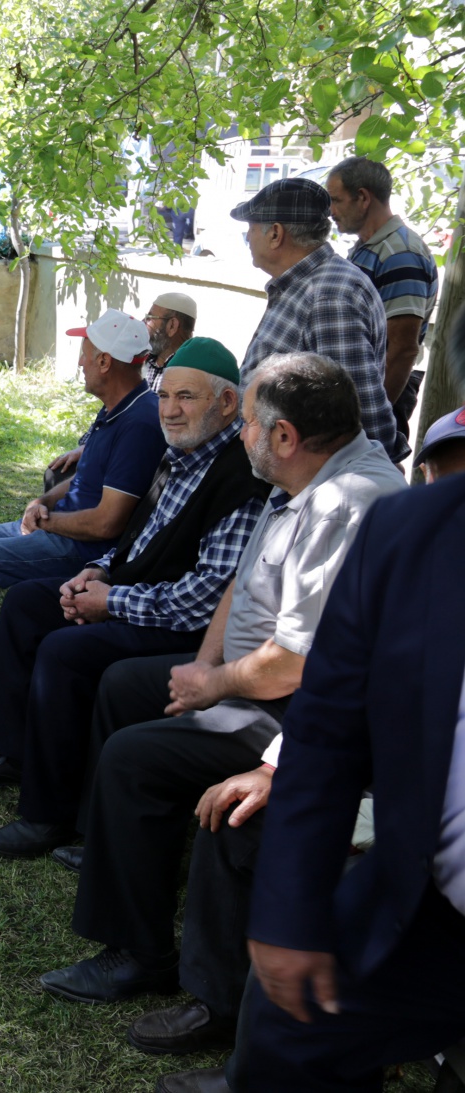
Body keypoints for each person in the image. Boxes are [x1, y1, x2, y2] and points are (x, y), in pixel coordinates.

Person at [36, 355, 403, 1056]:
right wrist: (202, 666)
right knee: (125, 685)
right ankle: (118, 854)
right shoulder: (299, 475)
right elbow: (241, 584)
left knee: (137, 757)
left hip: (303, 721)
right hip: (248, 683)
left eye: (249, 424)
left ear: (287, 436)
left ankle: (152, 961)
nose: (238, 436)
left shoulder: (349, 502)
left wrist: (219, 683)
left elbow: (299, 664)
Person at [204, 366, 465, 1093]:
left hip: (263, 704)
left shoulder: (354, 500)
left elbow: (294, 669)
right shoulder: (413, 531)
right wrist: (289, 913)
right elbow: (329, 725)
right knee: (290, 1029)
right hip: (439, 907)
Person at [0, 341, 271, 861]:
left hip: (188, 629)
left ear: (228, 404)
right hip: (140, 594)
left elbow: (207, 597)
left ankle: (52, 814)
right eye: (164, 395)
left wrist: (111, 600)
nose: (169, 409)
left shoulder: (241, 477)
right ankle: (17, 753)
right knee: (31, 603)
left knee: (66, 653)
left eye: (185, 397)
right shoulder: (185, 450)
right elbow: (138, 538)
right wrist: (97, 571)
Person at [0, 311, 165, 701]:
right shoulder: (116, 406)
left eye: (84, 353)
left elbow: (107, 524)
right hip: (64, 530)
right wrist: (44, 500)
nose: (80, 362)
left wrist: (48, 522)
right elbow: (88, 477)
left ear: (105, 362)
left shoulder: (139, 424)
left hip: (84, 549)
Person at [233, 177, 403, 462]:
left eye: (250, 229)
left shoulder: (329, 295)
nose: (248, 238)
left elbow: (363, 416)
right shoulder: (305, 284)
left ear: (275, 234)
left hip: (314, 484)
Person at [328, 155, 439, 444]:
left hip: (381, 397)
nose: (330, 211)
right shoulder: (368, 247)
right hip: (362, 395)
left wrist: (369, 418)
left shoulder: (400, 253)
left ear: (362, 197)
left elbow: (402, 348)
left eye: (336, 200)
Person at [45, 292, 194, 486]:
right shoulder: (141, 358)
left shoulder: (186, 370)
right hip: (119, 446)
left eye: (150, 318)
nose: (144, 322)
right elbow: (115, 407)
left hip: (145, 460)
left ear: (172, 325)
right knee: (56, 474)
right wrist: (89, 447)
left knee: (61, 479)